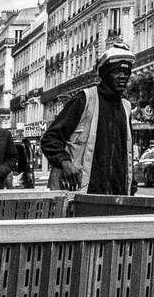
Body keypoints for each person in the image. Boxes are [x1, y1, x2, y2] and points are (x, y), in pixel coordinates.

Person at [41, 41, 136, 195]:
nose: (123, 77)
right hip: (82, 192)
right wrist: (65, 162)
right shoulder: (84, 99)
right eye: (117, 71)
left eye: (126, 72)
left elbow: (127, 152)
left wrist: (131, 185)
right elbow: (50, 139)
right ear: (106, 74)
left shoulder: (126, 107)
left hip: (117, 195)